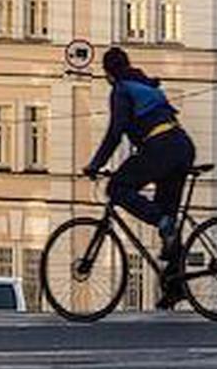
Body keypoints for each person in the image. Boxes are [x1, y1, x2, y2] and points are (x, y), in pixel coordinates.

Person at [84, 46, 196, 305]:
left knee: (117, 188)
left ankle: (164, 225)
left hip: (161, 146)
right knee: (166, 214)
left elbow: (116, 132)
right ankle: (175, 286)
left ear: (108, 73)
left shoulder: (122, 90)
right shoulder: (144, 84)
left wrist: (95, 164)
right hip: (182, 146)